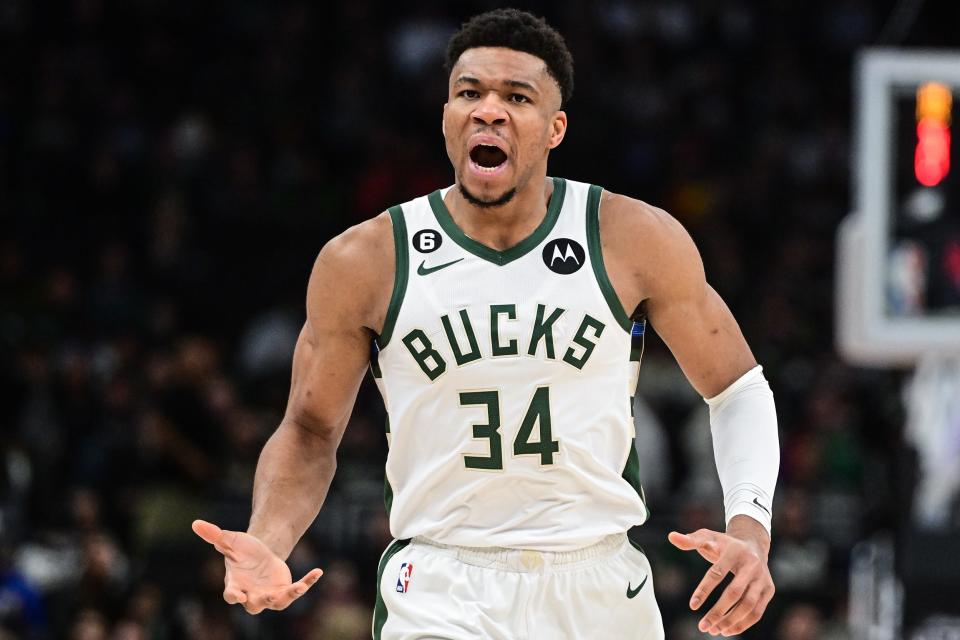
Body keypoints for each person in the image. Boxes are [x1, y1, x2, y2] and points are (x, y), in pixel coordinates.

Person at [192, 8, 780, 639]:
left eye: (516, 97)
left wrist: (750, 525)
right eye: (468, 92)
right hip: (443, 583)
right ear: (447, 118)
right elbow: (309, 429)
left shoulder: (631, 238)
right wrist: (269, 537)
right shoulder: (365, 260)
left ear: (555, 129)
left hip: (598, 582)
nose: (489, 110)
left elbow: (737, 386)